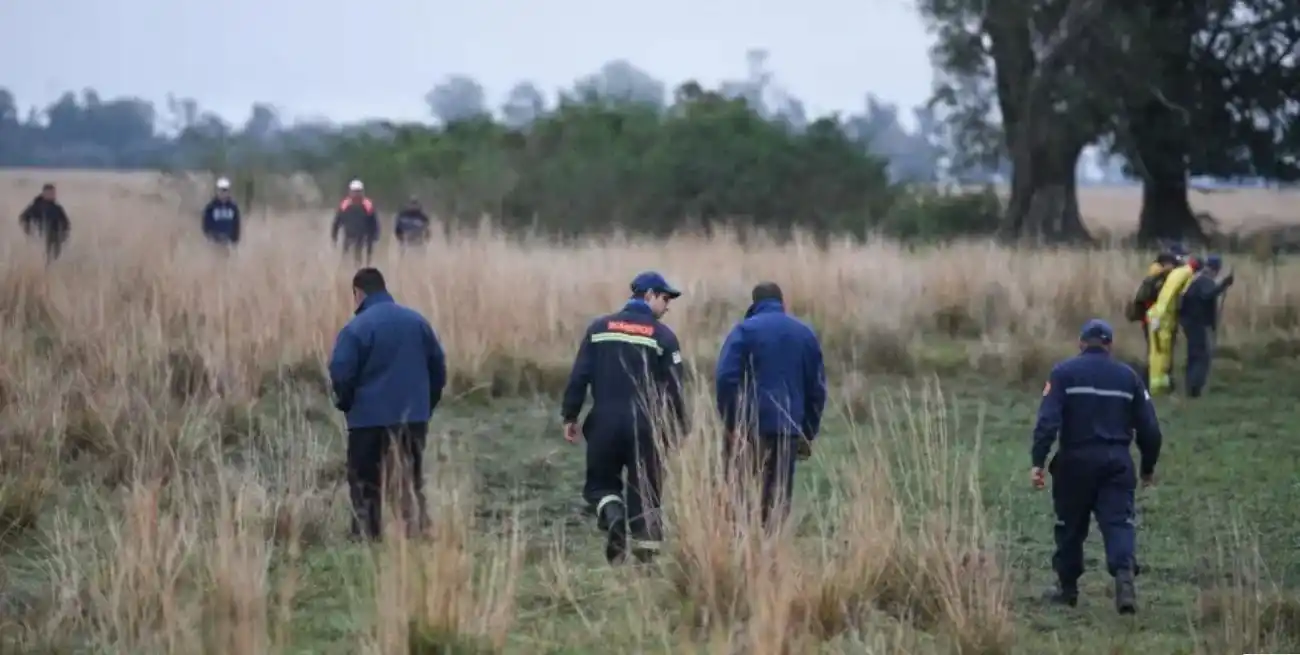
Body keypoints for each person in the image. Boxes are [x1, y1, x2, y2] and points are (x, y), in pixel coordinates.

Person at [1031, 319, 1163, 615]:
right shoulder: (1129, 378)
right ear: (1109, 345)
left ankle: (1067, 589)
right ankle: (1125, 577)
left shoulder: (1063, 373)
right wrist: (1147, 468)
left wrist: (1038, 462)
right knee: (1118, 523)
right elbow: (1151, 430)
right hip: (1116, 463)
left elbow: (1047, 422)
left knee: (1070, 528)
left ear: (1081, 343)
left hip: (1074, 463)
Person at [561, 271, 688, 564]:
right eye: (665, 298)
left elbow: (579, 375)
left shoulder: (599, 328)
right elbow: (675, 389)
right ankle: (645, 561)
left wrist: (570, 414)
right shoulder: (663, 337)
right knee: (645, 489)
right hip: (647, 427)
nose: (667, 306)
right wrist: (679, 428)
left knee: (600, 485)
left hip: (603, 424)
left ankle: (613, 514)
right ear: (648, 296)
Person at [328, 268, 447, 541]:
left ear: (358, 293)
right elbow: (438, 369)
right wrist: (425, 406)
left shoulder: (356, 328)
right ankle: (416, 535)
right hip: (413, 419)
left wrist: (347, 404)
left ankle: (367, 537)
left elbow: (341, 372)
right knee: (410, 479)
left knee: (365, 482)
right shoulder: (417, 322)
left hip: (367, 421)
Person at [714, 282, 827, 529]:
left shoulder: (744, 330)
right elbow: (817, 389)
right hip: (787, 428)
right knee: (777, 495)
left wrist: (732, 421)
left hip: (749, 427)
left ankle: (739, 548)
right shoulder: (805, 334)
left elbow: (726, 378)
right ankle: (771, 551)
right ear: (782, 303)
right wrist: (806, 432)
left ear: (754, 303)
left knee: (739, 491)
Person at [1145, 247, 1201, 394]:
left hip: (1164, 318)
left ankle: (1162, 384)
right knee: (1159, 352)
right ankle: (1157, 386)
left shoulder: (1180, 272)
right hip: (1162, 318)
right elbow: (1167, 295)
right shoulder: (1185, 274)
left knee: (1163, 352)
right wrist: (1158, 316)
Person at [1178, 254, 1234, 398]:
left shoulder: (1197, 279)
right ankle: (1195, 389)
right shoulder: (1205, 280)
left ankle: (1190, 386)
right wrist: (1224, 284)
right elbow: (1207, 295)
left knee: (1193, 355)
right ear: (1216, 269)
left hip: (1190, 322)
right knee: (1201, 356)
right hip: (1197, 324)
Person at [19, 183, 71, 263]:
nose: (53, 195)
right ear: (44, 193)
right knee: (40, 261)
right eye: (50, 193)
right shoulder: (36, 206)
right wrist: (31, 232)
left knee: (54, 262)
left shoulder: (57, 208)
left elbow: (66, 224)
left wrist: (63, 236)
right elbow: (23, 219)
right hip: (40, 241)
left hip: (55, 241)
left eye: (53, 193)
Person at [332, 180, 379, 265]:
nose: (356, 194)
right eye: (354, 192)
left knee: (363, 260)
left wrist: (375, 236)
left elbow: (374, 222)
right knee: (346, 259)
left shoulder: (368, 206)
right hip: (349, 236)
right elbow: (337, 222)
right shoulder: (344, 205)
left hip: (364, 238)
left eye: (358, 192)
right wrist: (334, 236)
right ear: (350, 192)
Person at [201, 177, 242, 247]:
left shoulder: (233, 207)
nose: (223, 193)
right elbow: (206, 224)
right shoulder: (211, 207)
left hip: (229, 243)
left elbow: (236, 224)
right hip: (215, 243)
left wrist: (235, 240)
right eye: (221, 190)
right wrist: (210, 238)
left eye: (225, 190)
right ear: (217, 191)